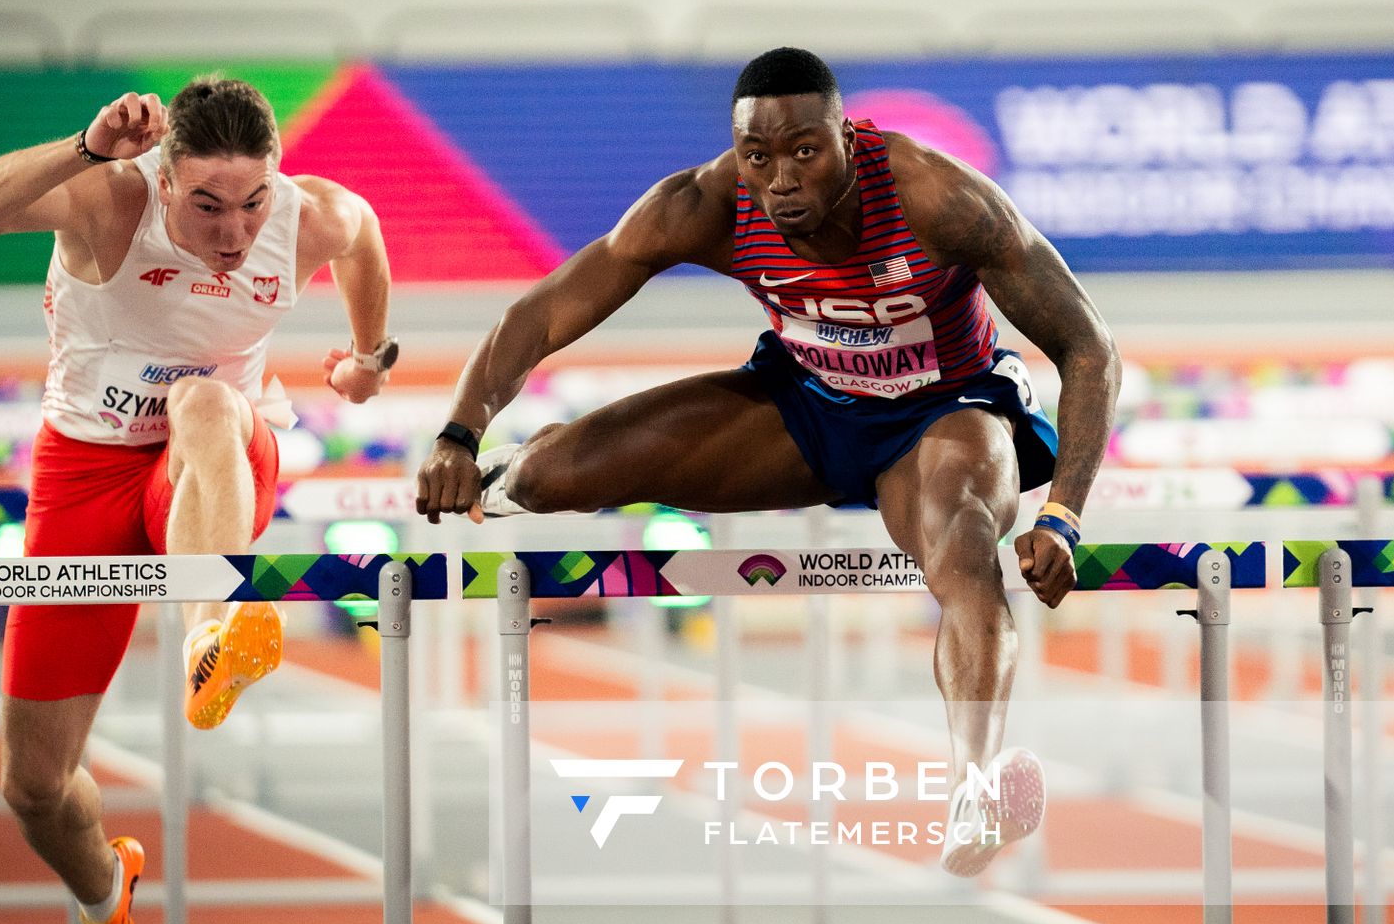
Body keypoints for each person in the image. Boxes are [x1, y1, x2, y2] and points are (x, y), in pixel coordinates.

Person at [415, 47, 1119, 877]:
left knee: (962, 546)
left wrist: (1063, 514)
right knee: (549, 475)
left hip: (944, 417)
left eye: (803, 151)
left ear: (848, 137)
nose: (780, 177)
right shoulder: (706, 203)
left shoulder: (937, 196)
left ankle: (976, 786)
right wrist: (459, 432)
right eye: (759, 156)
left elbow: (1087, 345)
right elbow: (541, 312)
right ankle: (493, 482)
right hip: (803, 411)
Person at [0, 76, 398, 924]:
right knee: (33, 788)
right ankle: (107, 895)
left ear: (276, 180)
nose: (235, 232)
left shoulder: (309, 216)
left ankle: (211, 631)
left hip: (218, 462)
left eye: (253, 202)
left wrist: (365, 358)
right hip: (85, 474)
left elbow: (366, 237)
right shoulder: (111, 199)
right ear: (163, 176)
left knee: (205, 399)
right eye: (208, 205)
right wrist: (86, 146)